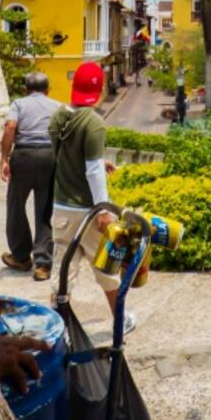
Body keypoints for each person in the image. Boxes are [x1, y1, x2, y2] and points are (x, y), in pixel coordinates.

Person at [47, 62, 136, 333]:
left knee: (62, 271)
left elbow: (64, 158)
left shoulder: (57, 118)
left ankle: (56, 326)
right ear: (98, 89)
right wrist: (103, 210)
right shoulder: (94, 122)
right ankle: (120, 320)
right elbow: (93, 169)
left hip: (61, 207)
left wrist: (100, 161)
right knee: (106, 270)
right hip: (87, 210)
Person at [0, 71, 61, 281]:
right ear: (47, 89)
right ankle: (42, 264)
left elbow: (10, 128)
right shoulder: (57, 106)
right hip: (48, 157)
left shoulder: (19, 104)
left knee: (16, 205)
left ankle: (21, 256)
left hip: (23, 156)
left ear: (27, 89)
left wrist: (4, 159)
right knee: (44, 209)